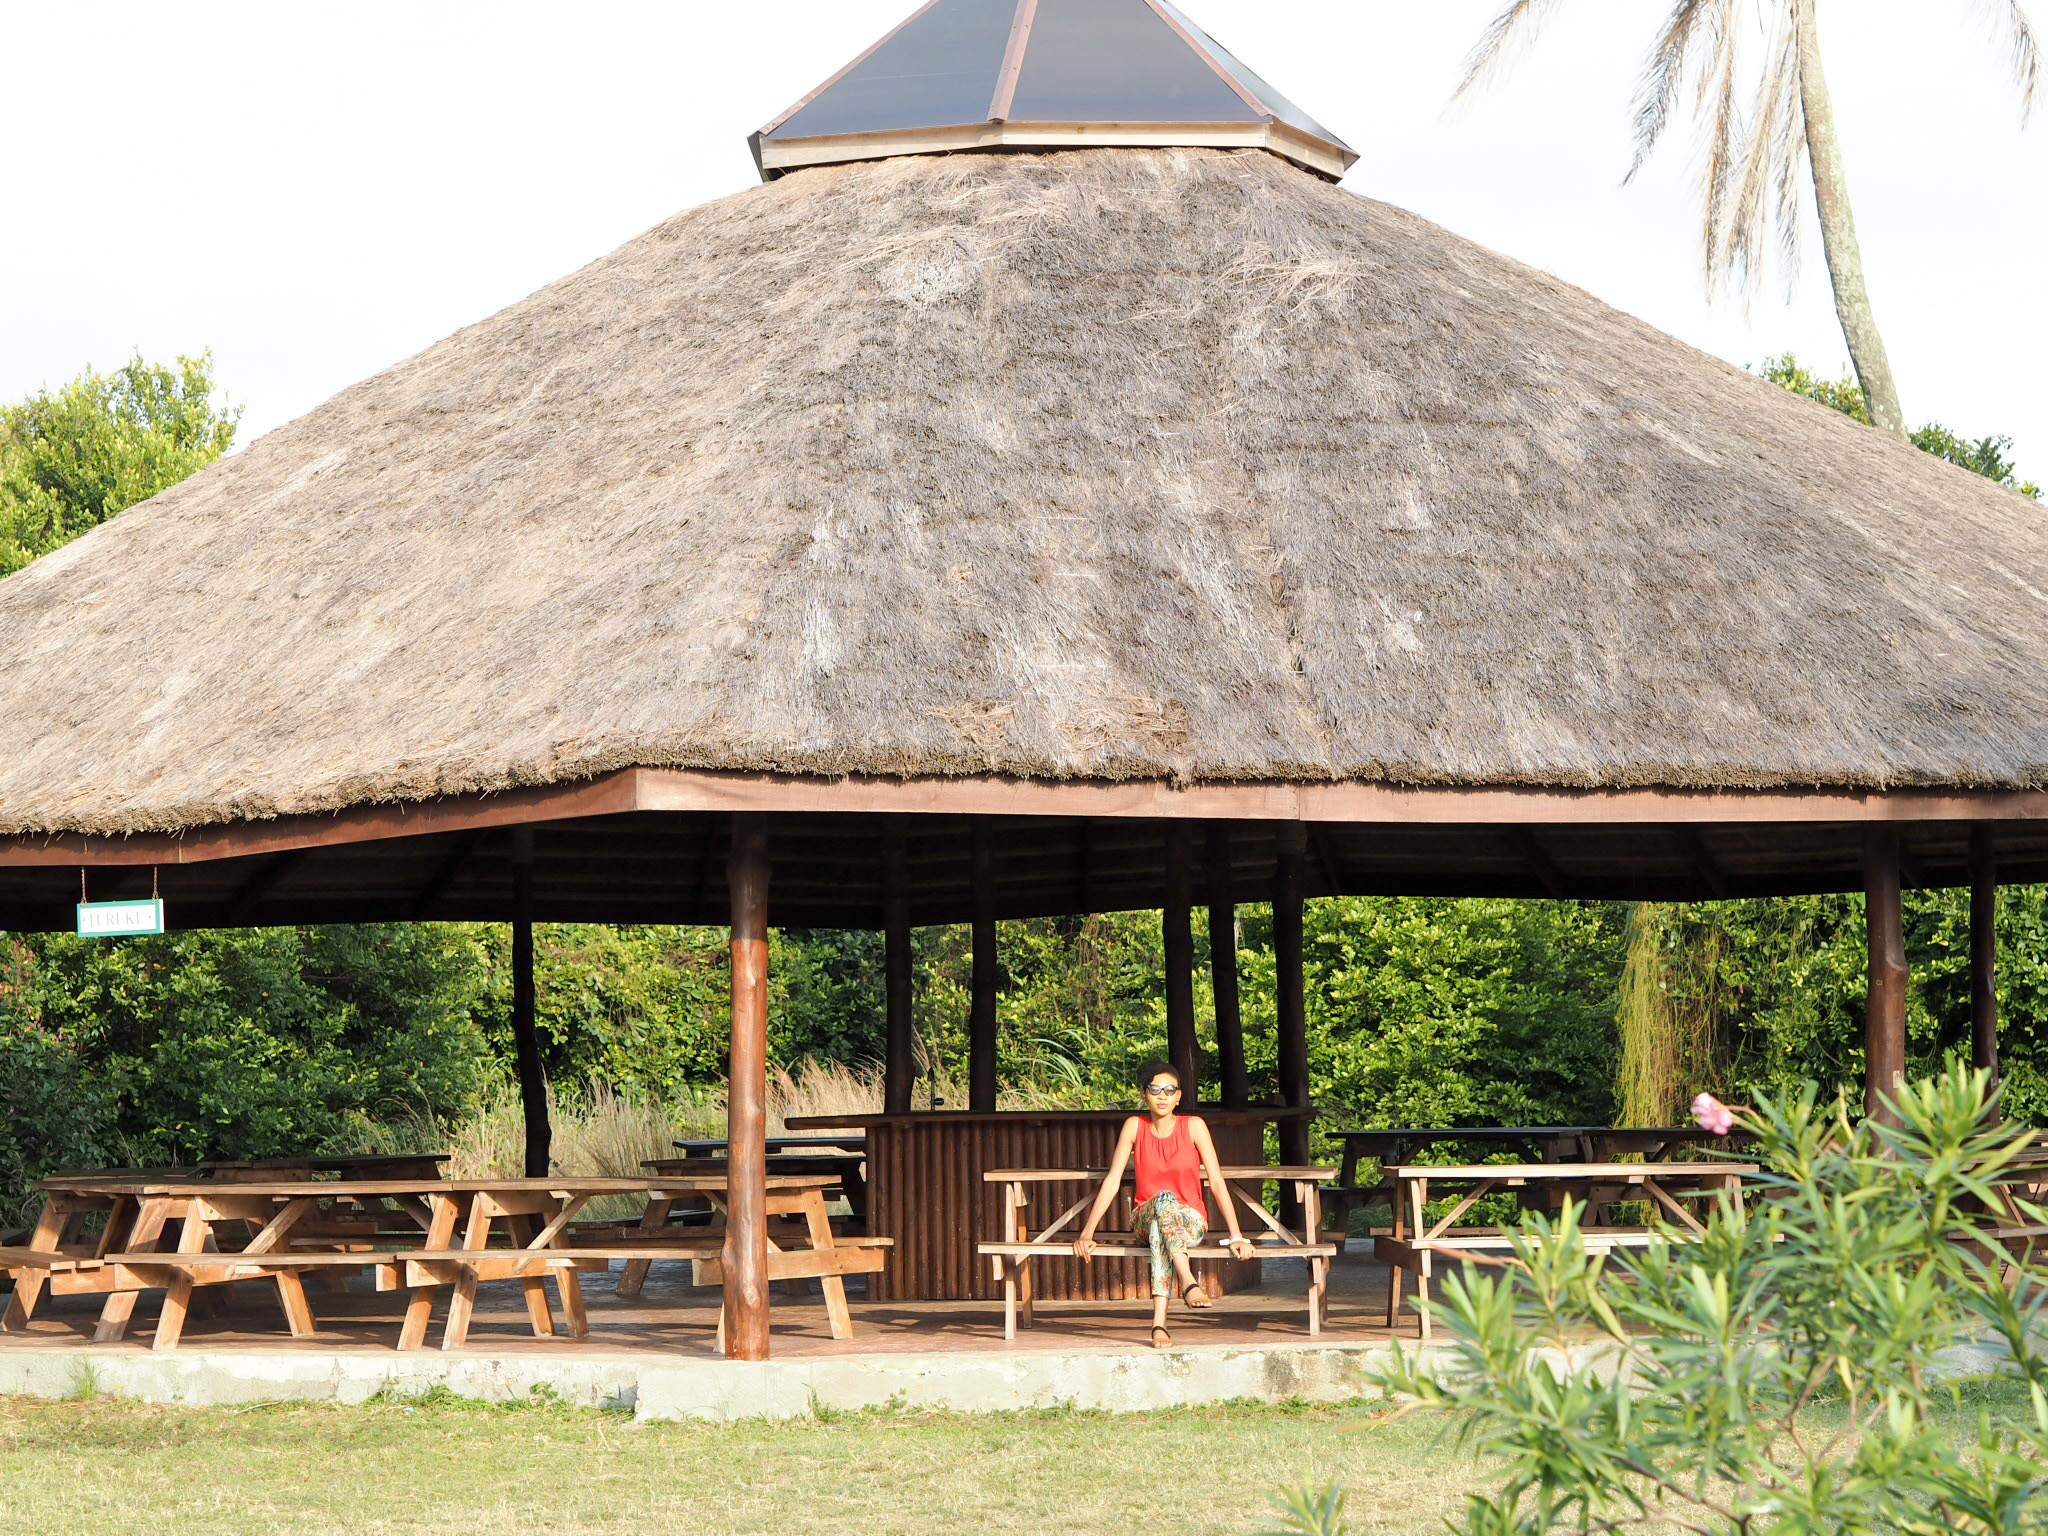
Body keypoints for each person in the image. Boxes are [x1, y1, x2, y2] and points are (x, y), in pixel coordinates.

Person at [1073, 1060, 1257, 1349]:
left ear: (1179, 1096)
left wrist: (1237, 1236)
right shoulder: (1134, 1126)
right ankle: (1188, 1280)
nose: (1162, 1096)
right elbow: (1112, 1181)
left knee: (1163, 1226)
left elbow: (1217, 1181)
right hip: (1145, 1217)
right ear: (1144, 1094)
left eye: (1170, 1090)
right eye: (1155, 1089)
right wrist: (1087, 1232)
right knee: (1161, 1202)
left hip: (1190, 1221)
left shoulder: (1194, 1126)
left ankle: (1159, 1323)